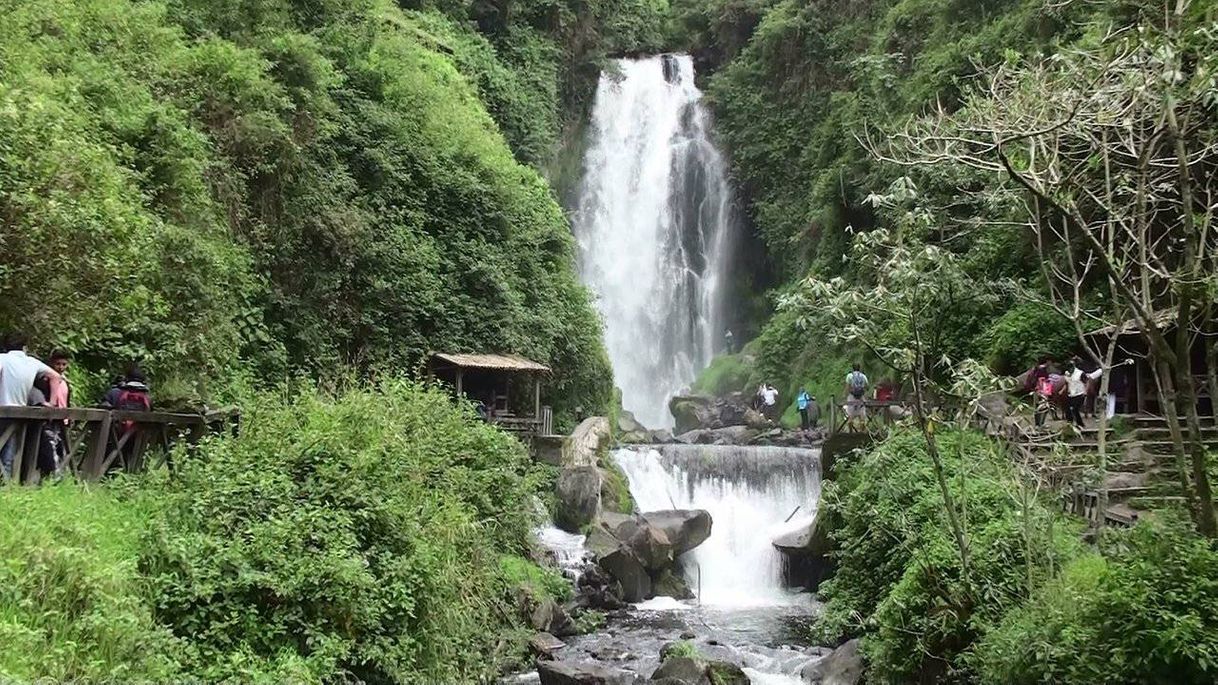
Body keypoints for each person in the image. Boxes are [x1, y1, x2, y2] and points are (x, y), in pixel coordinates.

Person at [0, 333, 63, 479]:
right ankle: (8, 485)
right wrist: (51, 402)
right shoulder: (32, 362)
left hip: (3, 410)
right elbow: (56, 377)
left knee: (6, 450)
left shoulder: (3, 359)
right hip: (21, 412)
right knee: (10, 452)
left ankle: (6, 485)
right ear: (24, 348)